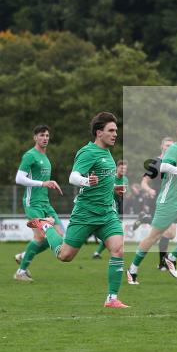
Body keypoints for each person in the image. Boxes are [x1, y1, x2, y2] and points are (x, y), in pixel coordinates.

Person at [27, 112, 129, 308]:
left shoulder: (108, 153)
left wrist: (114, 188)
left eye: (116, 130)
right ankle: (46, 226)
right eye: (111, 130)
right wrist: (87, 181)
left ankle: (111, 298)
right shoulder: (88, 152)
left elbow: (102, 180)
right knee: (65, 256)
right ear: (99, 133)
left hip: (107, 213)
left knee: (118, 249)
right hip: (85, 213)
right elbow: (73, 177)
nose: (115, 134)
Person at [128, 119, 177, 282]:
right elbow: (164, 167)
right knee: (153, 237)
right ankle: (132, 269)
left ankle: (171, 258)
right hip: (167, 202)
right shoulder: (174, 149)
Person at [13, 125, 64, 282]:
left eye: (47, 135)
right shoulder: (30, 155)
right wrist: (42, 184)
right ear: (35, 137)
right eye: (42, 135)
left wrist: (50, 182)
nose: (45, 138)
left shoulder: (46, 158)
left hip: (45, 204)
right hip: (33, 204)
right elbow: (19, 178)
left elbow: (43, 180)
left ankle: (25, 255)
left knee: (60, 237)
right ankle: (21, 272)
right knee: (40, 236)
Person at [130, 136, 177, 276]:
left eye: (172, 146)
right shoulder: (156, 163)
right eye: (167, 145)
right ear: (161, 147)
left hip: (171, 200)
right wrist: (149, 190)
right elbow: (143, 182)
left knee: (170, 234)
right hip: (158, 200)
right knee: (164, 233)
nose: (169, 148)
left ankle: (145, 218)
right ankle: (161, 263)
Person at [92, 159, 128, 259]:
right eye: (121, 168)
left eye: (125, 169)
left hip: (114, 206)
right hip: (103, 204)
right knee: (111, 232)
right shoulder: (111, 176)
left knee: (112, 232)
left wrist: (122, 192)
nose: (123, 170)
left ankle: (98, 253)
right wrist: (114, 189)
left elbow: (123, 193)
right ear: (117, 168)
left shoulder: (125, 179)